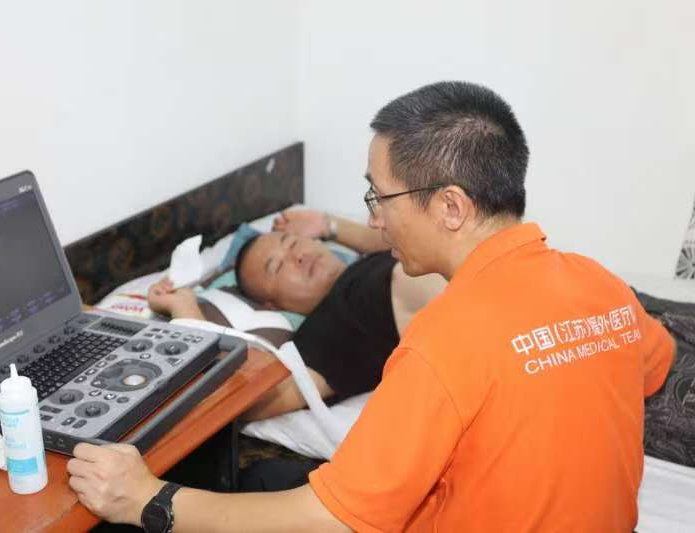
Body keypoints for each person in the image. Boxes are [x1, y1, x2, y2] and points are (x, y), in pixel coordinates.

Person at [68, 81, 675, 532]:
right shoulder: (598, 282)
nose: (375, 218)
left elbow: (333, 516)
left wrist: (150, 500)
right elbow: (653, 365)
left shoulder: (445, 342)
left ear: (452, 207)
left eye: (379, 196)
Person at [148, 214, 447, 420]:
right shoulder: (327, 333)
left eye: (293, 243)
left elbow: (396, 238)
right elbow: (233, 402)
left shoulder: (372, 258)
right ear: (273, 305)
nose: (299, 256)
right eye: (277, 267)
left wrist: (328, 225)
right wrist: (185, 311)